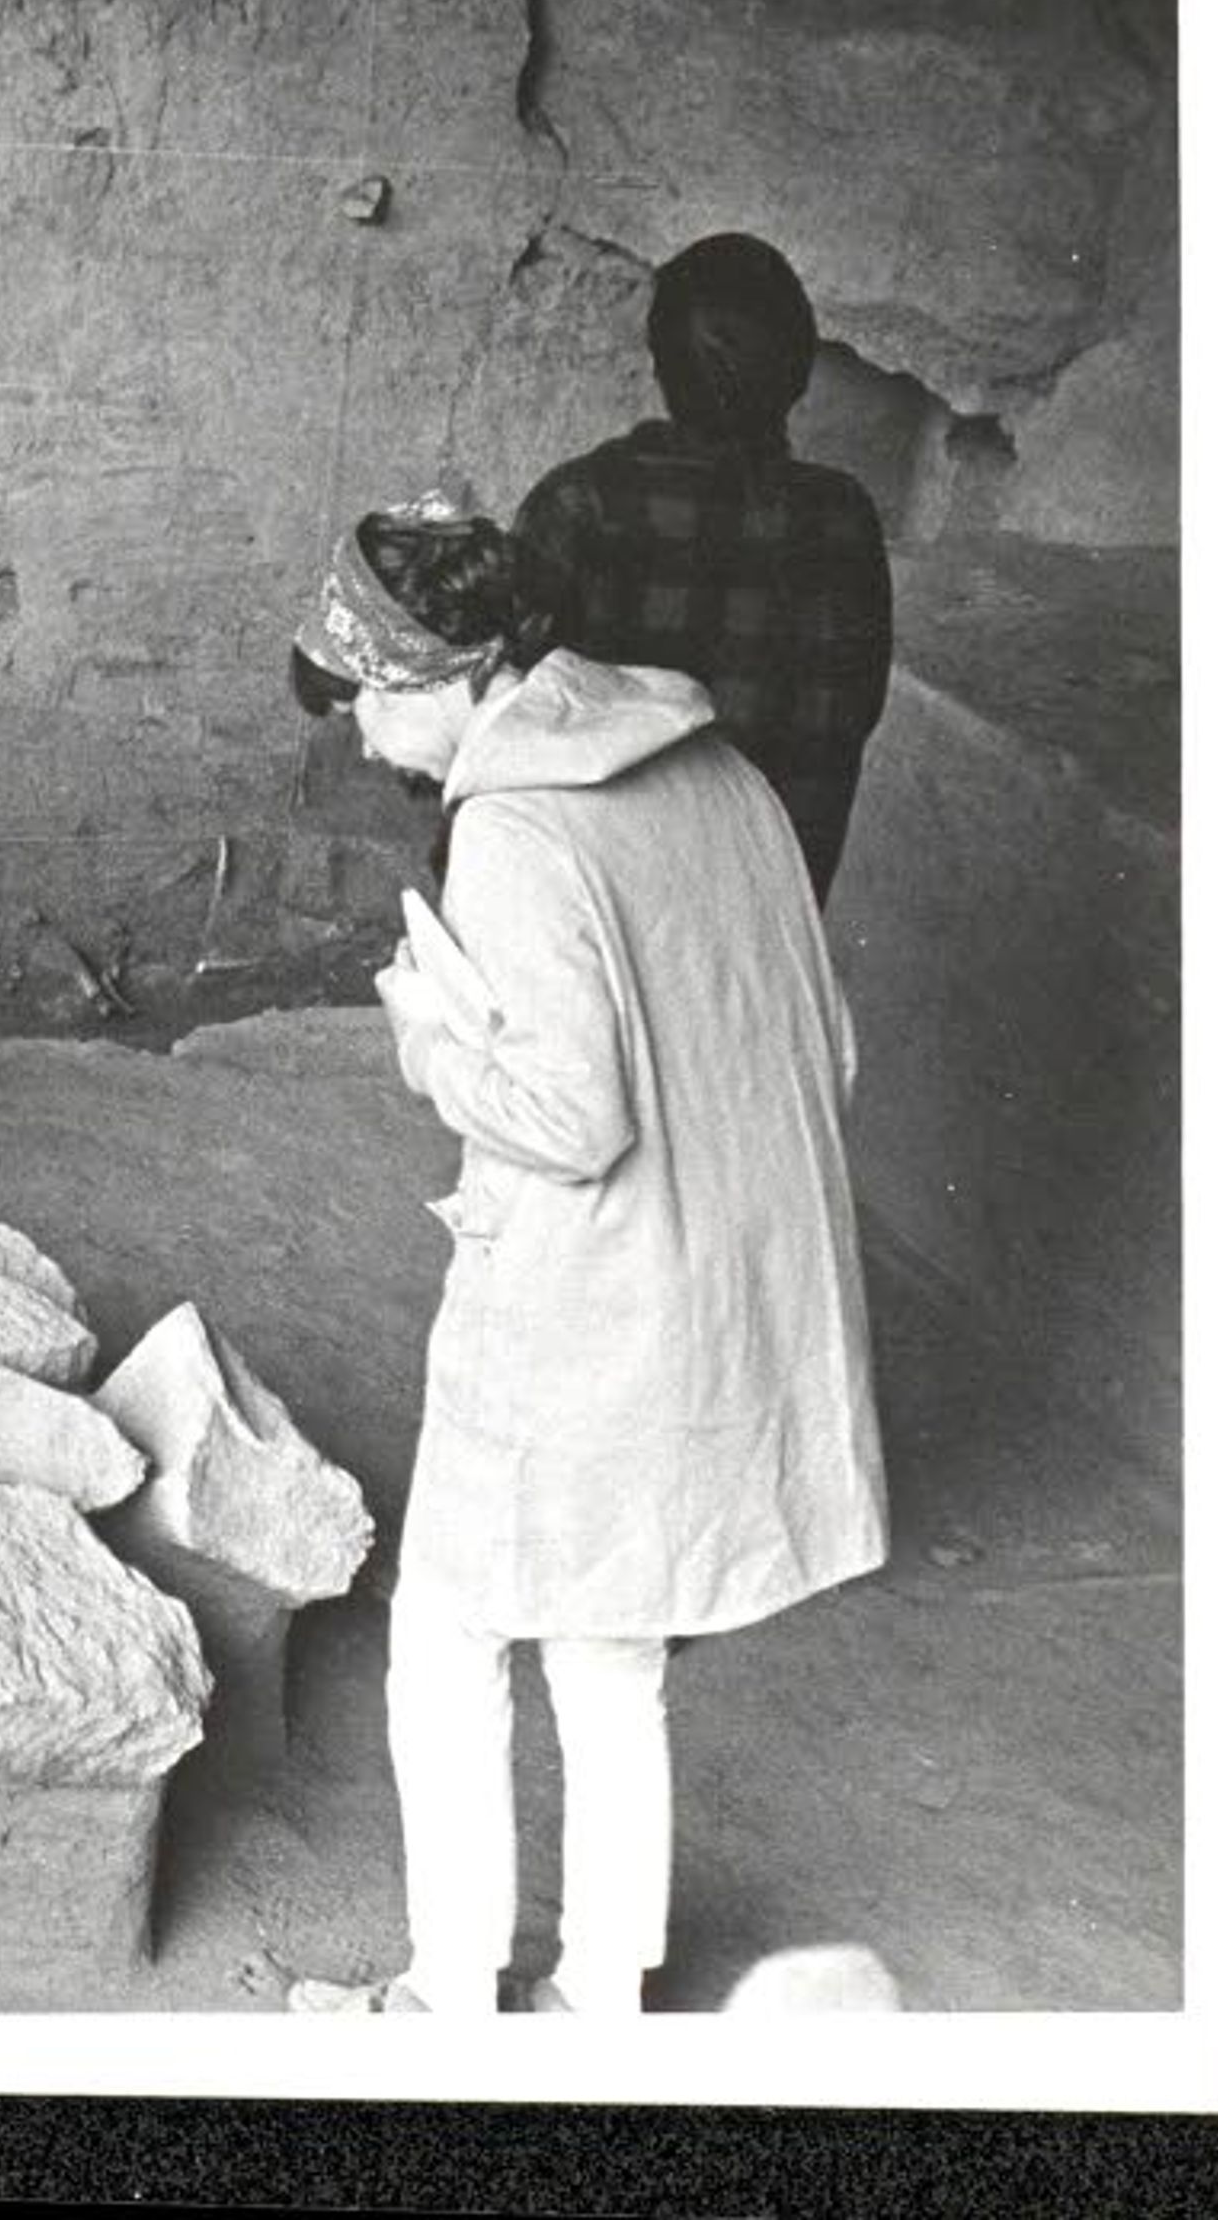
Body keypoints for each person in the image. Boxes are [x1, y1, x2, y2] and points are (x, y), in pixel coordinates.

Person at [282, 485, 889, 2018]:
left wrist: (429, 1041)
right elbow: (825, 1037)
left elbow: (569, 1112)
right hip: (715, 1294)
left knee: (448, 1634)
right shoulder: (709, 758)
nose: (357, 734)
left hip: (583, 1297)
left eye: (363, 699)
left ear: (445, 673)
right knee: (612, 1655)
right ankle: (597, 1994)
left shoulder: (514, 828)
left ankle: (448, 1995)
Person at [510, 232, 896, 905]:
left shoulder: (581, 505)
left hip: (605, 907)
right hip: (770, 916)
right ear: (800, 375)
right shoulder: (843, 520)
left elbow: (514, 726)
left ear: (658, 366)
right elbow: (854, 714)